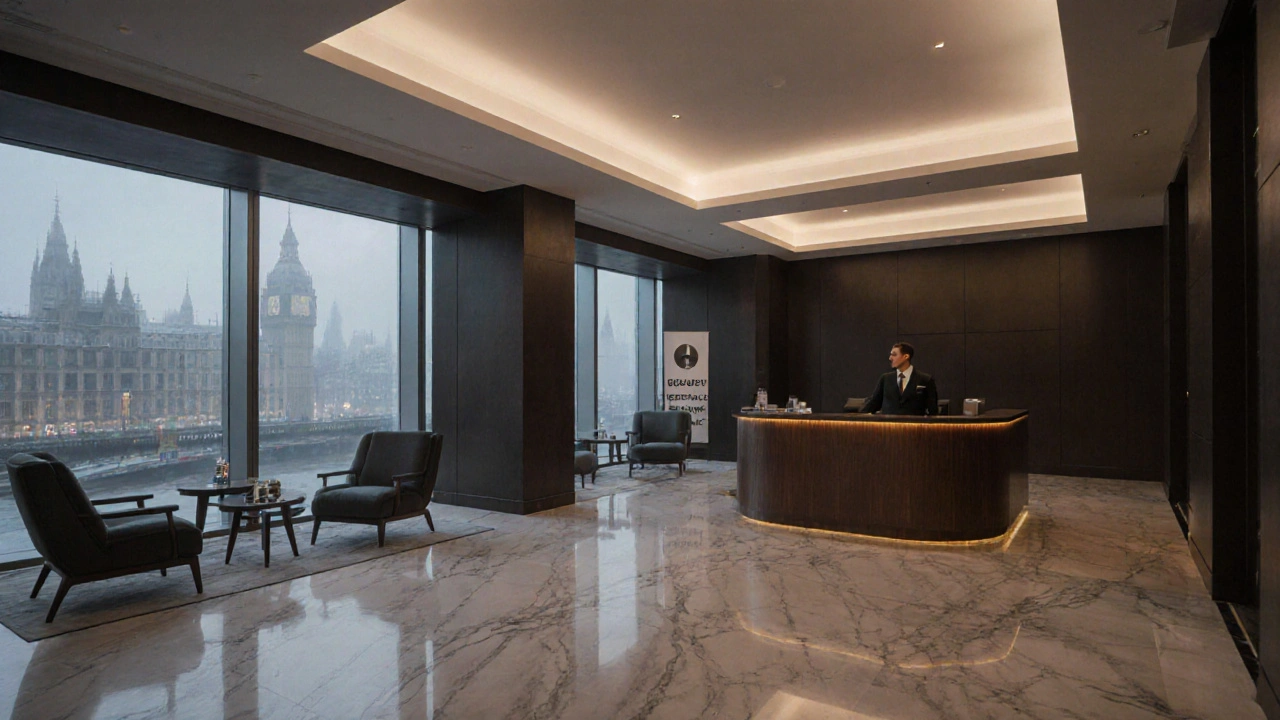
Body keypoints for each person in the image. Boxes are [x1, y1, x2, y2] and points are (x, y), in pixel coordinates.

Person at [859, 342, 938, 415]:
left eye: (894, 355)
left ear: (906, 356)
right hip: (889, 424)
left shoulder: (925, 379)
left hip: (914, 424)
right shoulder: (886, 379)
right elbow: (874, 403)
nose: (890, 358)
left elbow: (933, 410)